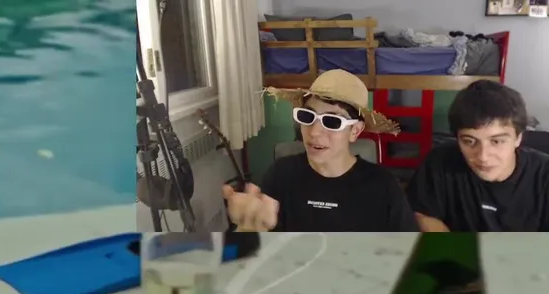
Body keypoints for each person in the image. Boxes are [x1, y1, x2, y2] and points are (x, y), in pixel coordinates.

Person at [223, 69, 417, 232]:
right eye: (308, 116)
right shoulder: (280, 175)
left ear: (355, 131)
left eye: (332, 121)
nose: (314, 132)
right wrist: (247, 229)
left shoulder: (384, 187)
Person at [407, 80, 549, 231]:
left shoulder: (544, 175)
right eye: (469, 141)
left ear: (518, 138)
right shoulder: (440, 161)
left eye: (496, 141)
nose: (483, 156)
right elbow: (423, 214)